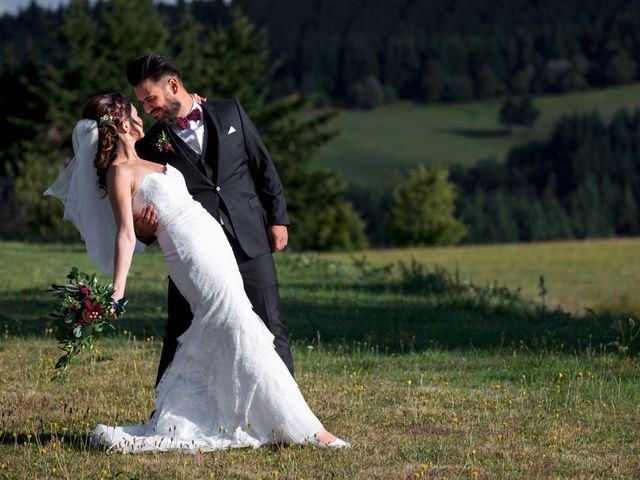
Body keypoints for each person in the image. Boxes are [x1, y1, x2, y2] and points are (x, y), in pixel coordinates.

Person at [45, 92, 349, 452]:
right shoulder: (118, 173)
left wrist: (194, 101)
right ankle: (305, 428)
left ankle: (248, 413)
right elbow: (126, 233)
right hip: (189, 254)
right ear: (123, 124)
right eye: (134, 111)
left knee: (238, 322)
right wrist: (117, 289)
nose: (143, 116)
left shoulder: (148, 155)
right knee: (238, 323)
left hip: (212, 241)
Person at [126, 53, 295, 385]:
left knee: (270, 323)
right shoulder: (149, 146)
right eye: (142, 102)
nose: (148, 108)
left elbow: (263, 167)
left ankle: (292, 417)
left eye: (151, 98)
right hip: (193, 250)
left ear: (173, 85)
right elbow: (143, 204)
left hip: (249, 239)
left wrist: (278, 218)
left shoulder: (230, 111)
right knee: (180, 328)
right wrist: (143, 231)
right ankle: (163, 414)